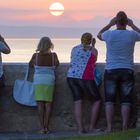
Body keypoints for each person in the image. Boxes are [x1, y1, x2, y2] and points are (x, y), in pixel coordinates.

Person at [97, 11, 140, 132]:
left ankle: (110, 127)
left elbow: (99, 35)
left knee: (109, 100)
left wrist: (109, 24)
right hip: (127, 70)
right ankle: (124, 127)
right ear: (126, 22)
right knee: (125, 100)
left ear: (116, 22)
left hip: (111, 70)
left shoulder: (109, 34)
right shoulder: (132, 35)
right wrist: (133, 25)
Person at [67, 33, 101, 133]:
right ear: (91, 40)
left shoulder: (74, 48)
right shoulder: (93, 50)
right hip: (85, 77)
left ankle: (80, 128)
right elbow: (93, 61)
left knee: (78, 101)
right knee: (97, 100)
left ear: (81, 39)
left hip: (71, 77)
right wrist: (93, 46)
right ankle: (92, 127)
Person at [29, 37, 59, 134]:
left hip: (38, 80)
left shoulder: (35, 56)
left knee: (40, 104)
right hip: (49, 80)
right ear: (50, 45)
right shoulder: (53, 55)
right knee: (48, 104)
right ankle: (47, 127)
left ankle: (42, 128)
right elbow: (57, 64)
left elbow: (30, 65)